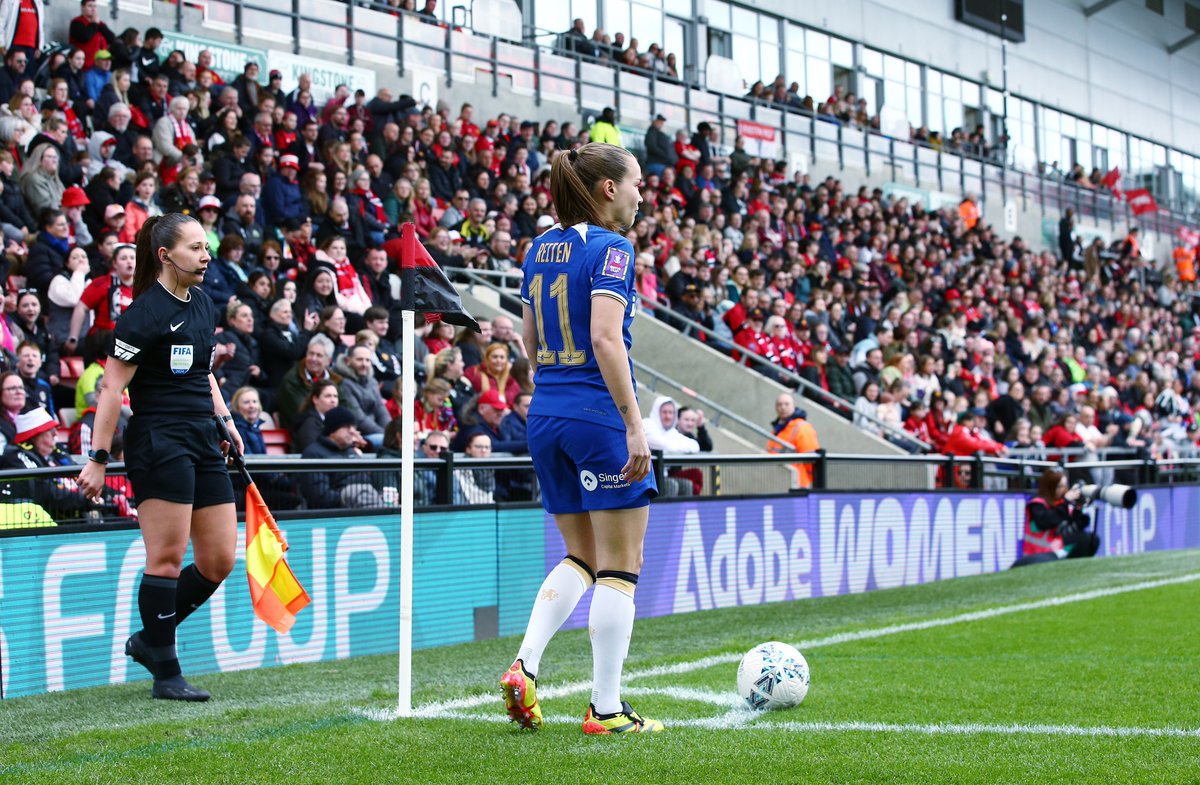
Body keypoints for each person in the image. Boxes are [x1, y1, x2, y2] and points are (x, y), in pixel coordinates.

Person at [502, 142, 661, 735]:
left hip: (546, 413)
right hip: (597, 415)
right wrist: (633, 422)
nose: (643, 195)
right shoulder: (613, 249)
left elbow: (527, 338)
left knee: (582, 556)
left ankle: (526, 664)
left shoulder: (539, 248)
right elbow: (604, 337)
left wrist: (556, 392)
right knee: (622, 563)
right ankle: (607, 708)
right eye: (637, 183)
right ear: (608, 189)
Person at [77, 213, 244, 703]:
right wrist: (99, 458)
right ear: (166, 255)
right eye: (195, 248)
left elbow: (203, 371)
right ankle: (166, 672)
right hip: (159, 441)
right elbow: (111, 389)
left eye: (207, 247)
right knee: (166, 560)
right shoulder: (141, 314)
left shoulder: (204, 302)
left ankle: (151, 639)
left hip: (203, 438)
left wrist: (226, 421)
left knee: (218, 561)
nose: (206, 256)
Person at [1013, 467, 1100, 566]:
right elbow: (1047, 521)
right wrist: (1065, 502)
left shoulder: (1062, 504)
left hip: (1056, 551)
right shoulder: (1037, 504)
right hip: (1036, 555)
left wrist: (1078, 508)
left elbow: (1073, 528)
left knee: (1090, 540)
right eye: (1059, 487)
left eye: (1064, 486)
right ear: (1049, 486)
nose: (1062, 490)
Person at [766, 393, 820, 488]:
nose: (783, 407)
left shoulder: (802, 428)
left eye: (786, 404)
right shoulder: (778, 428)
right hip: (781, 481)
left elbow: (811, 460)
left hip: (799, 483)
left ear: (793, 406)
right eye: (779, 404)